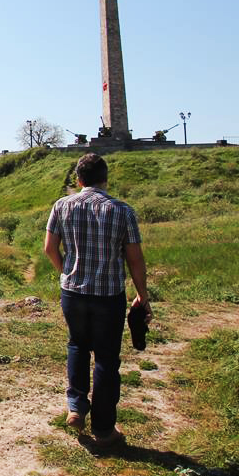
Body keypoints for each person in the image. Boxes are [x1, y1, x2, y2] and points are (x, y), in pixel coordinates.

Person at [43, 152, 151, 446]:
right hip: (108, 295)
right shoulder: (122, 211)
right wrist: (142, 295)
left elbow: (49, 247)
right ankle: (104, 429)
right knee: (105, 359)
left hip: (73, 292)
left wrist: (65, 271)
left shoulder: (61, 206)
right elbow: (135, 259)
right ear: (105, 179)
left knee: (77, 344)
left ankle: (76, 407)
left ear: (78, 180)